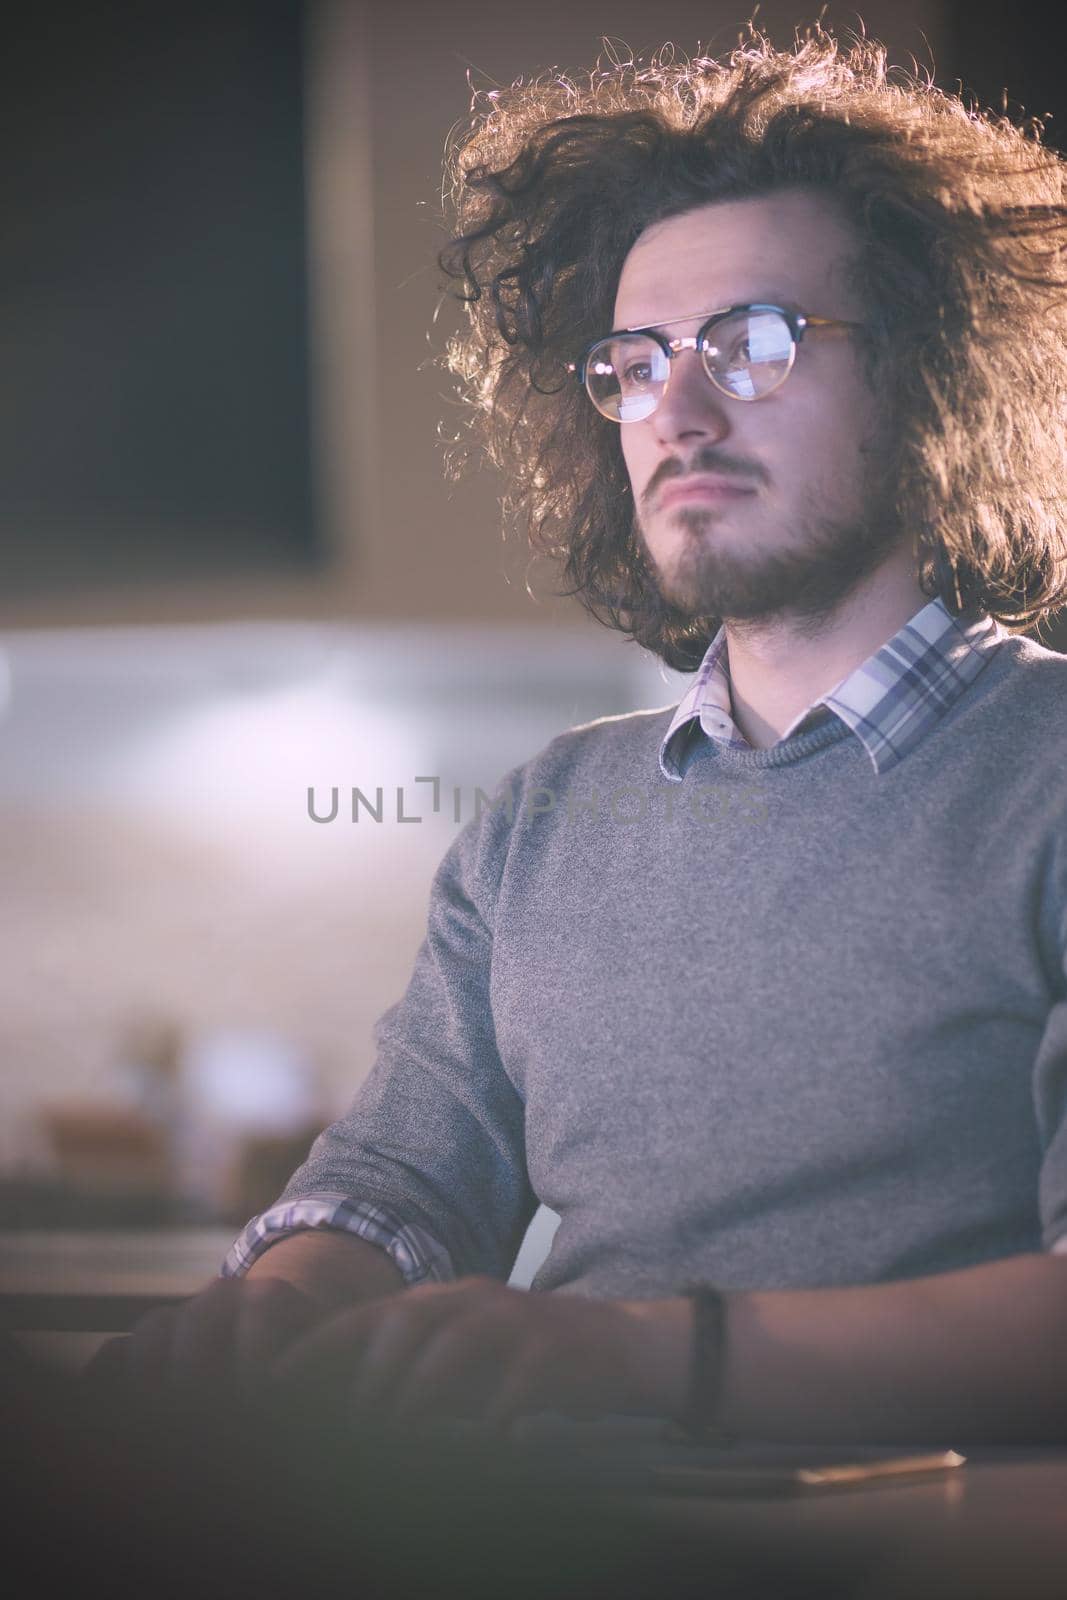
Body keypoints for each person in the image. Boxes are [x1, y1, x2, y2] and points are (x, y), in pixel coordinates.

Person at [96, 28, 1067, 1445]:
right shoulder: (548, 813)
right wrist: (279, 1310)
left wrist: (647, 1362)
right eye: (633, 360)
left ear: (934, 381)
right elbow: (404, 1181)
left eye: (755, 342)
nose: (675, 410)